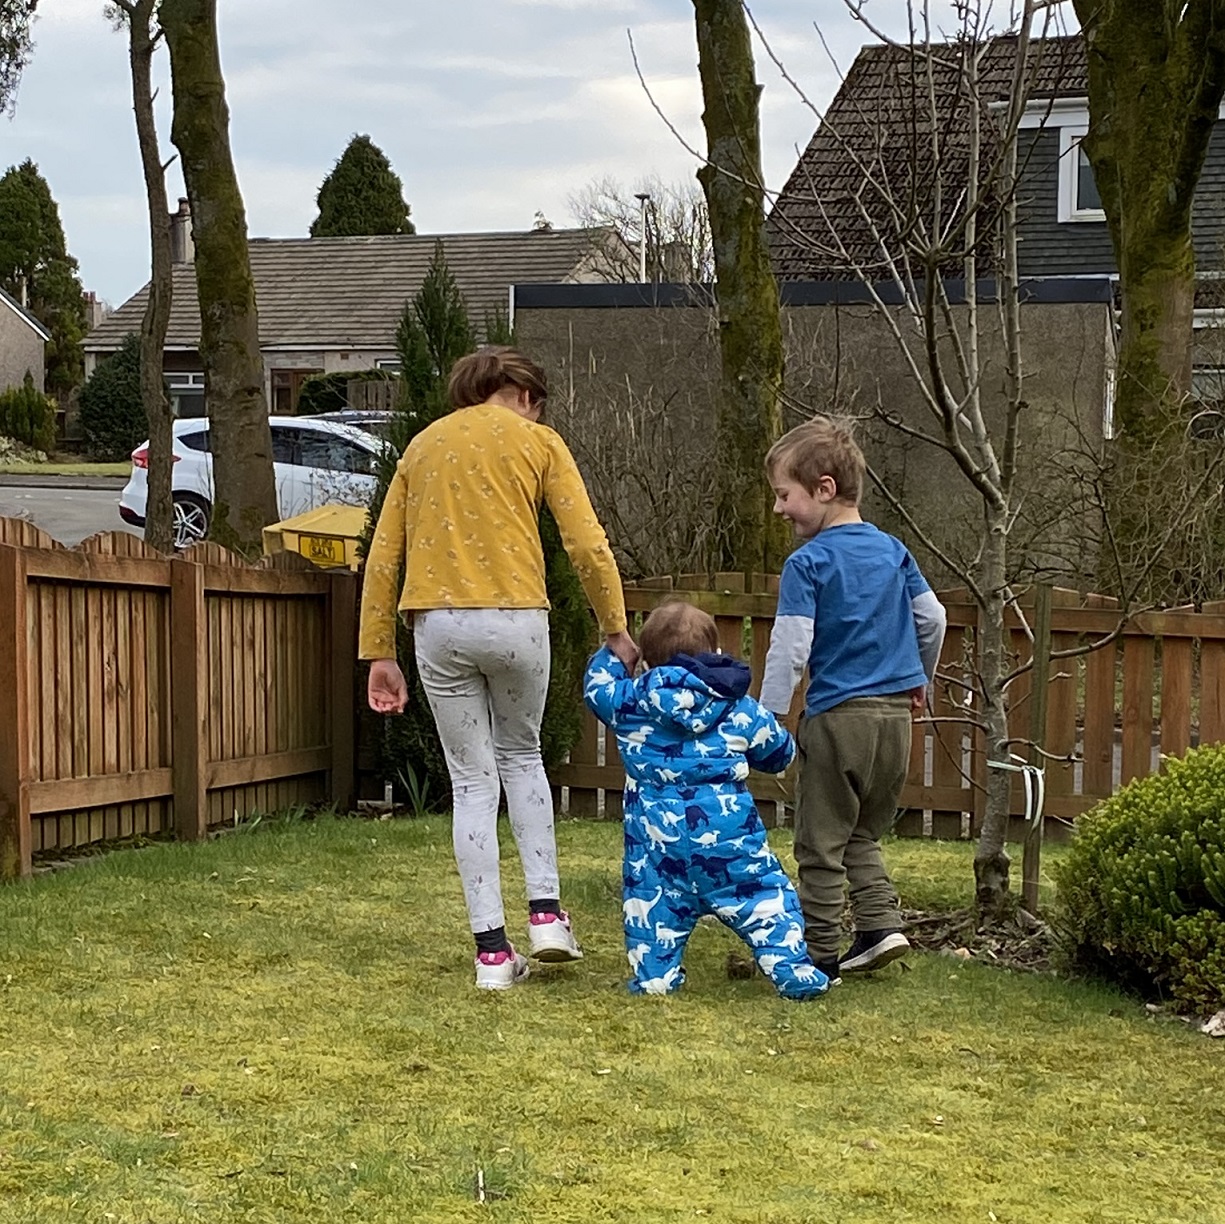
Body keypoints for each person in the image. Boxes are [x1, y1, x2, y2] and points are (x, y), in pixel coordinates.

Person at [360, 346, 639, 991]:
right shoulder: (539, 442)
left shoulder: (422, 447)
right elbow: (586, 542)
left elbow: (383, 555)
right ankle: (546, 917)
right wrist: (616, 628)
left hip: (438, 624)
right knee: (522, 756)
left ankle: (491, 955)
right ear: (524, 394)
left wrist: (379, 652)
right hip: (518, 618)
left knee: (472, 783)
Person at [759, 417, 946, 985]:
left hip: (839, 717)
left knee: (819, 840)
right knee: (860, 831)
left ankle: (817, 957)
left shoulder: (809, 563)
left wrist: (765, 718)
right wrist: (919, 680)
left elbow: (792, 646)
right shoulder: (893, 552)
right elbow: (932, 618)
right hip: (895, 720)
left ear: (823, 488)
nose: (778, 509)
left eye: (783, 495)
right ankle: (880, 927)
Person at [584, 599, 829, 1000]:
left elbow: (596, 689)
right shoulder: (737, 707)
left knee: (651, 905)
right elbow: (780, 753)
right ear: (715, 654)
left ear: (645, 660)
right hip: (731, 845)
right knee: (765, 898)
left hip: (657, 848)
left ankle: (655, 977)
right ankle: (792, 969)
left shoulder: (630, 704)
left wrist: (616, 649)